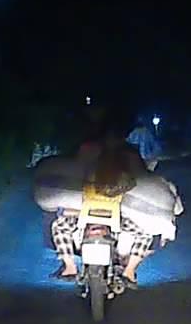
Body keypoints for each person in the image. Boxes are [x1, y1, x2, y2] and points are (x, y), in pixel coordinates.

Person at [51, 113, 155, 288]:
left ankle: (69, 266)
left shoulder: (87, 149)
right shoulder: (130, 152)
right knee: (145, 233)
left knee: (59, 226)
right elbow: (141, 176)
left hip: (84, 210)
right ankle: (129, 271)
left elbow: (75, 173)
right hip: (119, 213)